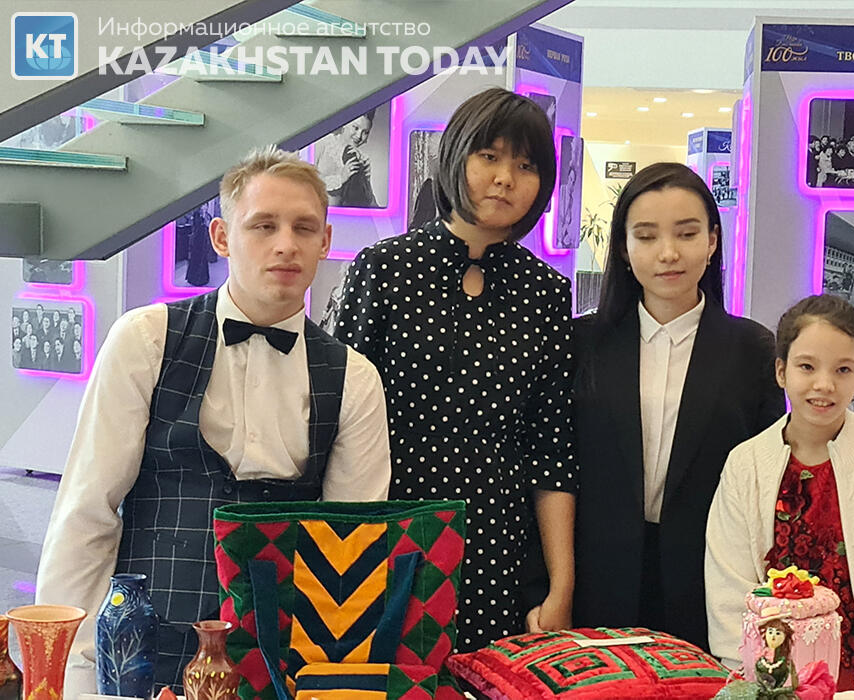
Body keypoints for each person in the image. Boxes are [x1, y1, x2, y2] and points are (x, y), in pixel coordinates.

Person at [36, 146, 393, 695]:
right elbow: (87, 513)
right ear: (222, 237)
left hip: (282, 665)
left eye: (303, 228)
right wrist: (75, 674)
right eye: (263, 225)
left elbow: (352, 549)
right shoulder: (146, 339)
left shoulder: (356, 378)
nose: (285, 244)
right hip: (142, 657)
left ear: (325, 241)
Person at [334, 87, 576, 651]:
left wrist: (561, 584)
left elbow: (552, 448)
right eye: (489, 157)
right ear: (455, 157)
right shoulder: (385, 269)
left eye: (526, 166)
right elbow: (339, 418)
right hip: (387, 528)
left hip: (499, 541)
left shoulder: (545, 292)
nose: (505, 179)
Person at [572, 162, 785, 651]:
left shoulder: (751, 349)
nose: (668, 253)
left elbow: (765, 477)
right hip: (598, 580)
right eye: (646, 236)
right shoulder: (584, 343)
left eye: (687, 234)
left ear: (712, 241)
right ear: (623, 248)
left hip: (708, 581)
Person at [705, 293, 854, 690]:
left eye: (843, 369)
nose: (824, 385)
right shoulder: (746, 464)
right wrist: (749, 679)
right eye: (807, 367)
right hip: (776, 678)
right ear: (781, 371)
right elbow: (730, 586)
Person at [314, 110, 379, 207]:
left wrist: (365, 182)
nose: (359, 136)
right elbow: (304, 181)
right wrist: (340, 178)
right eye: (355, 128)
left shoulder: (362, 159)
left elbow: (371, 204)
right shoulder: (324, 143)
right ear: (345, 123)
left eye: (365, 132)